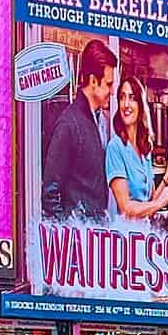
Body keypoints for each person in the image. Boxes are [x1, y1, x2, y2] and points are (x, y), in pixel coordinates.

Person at [41, 38, 118, 221]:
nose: (113, 91)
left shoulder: (99, 120)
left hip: (96, 236)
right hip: (78, 240)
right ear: (93, 81)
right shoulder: (69, 125)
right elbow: (50, 195)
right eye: (108, 84)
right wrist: (69, 237)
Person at [106, 73, 168, 227]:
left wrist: (166, 178)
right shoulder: (115, 147)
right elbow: (126, 208)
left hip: (145, 234)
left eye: (132, 98)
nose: (126, 104)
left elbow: (149, 201)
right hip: (126, 238)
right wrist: (160, 203)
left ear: (140, 105)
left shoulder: (144, 149)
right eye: (122, 97)